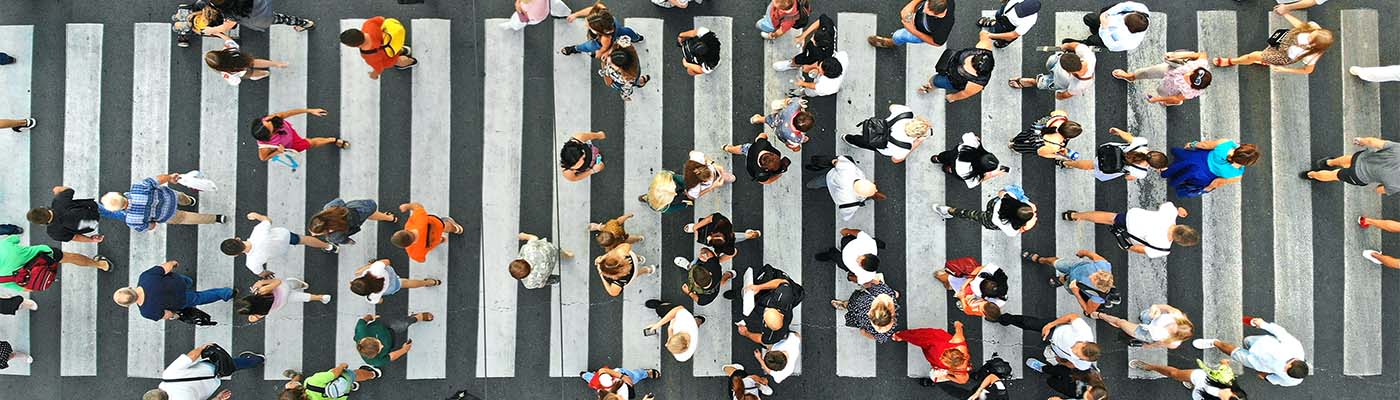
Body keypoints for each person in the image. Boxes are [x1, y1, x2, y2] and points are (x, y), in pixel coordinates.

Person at [1192, 316, 1308, 387]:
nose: (1283, 368)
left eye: (1285, 371)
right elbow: (1280, 332)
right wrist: (1263, 324)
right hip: (1261, 343)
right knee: (1247, 341)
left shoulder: (1293, 380)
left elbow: (1275, 379)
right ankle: (1242, 345)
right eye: (1286, 367)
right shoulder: (1295, 347)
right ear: (1296, 360)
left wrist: (1264, 375)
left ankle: (1215, 343)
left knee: (1234, 353)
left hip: (1255, 362)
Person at [222, 212, 338, 278]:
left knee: (301, 240)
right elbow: (267, 220)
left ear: (236, 254)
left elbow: (262, 273)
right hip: (284, 236)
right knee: (304, 239)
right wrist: (256, 216)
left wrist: (267, 274)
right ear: (237, 238)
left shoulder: (251, 263)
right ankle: (329, 246)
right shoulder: (257, 232)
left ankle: (329, 247)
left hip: (281, 250)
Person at [1212, 10, 1331, 75]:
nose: (1309, 34)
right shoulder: (1314, 28)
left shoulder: (1312, 55)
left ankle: (1232, 61)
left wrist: (1285, 70)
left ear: (1315, 45)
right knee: (1264, 52)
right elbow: (1301, 26)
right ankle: (1262, 60)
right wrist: (1285, 14)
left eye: (1311, 38)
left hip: (1281, 56)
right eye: (1312, 33)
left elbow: (1307, 71)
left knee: (1252, 56)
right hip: (1281, 41)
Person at [1063, 203, 1199, 258]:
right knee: (1111, 222)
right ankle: (1075, 216)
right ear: (1180, 242)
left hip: (1133, 217)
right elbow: (1138, 249)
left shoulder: (1170, 213)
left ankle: (1074, 215)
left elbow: (1166, 205)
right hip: (1131, 232)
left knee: (1109, 217)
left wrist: (1178, 210)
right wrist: (1127, 246)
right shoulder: (1163, 249)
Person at [114, 260, 234, 322]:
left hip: (180, 301)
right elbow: (166, 267)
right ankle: (190, 282)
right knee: (187, 281)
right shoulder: (145, 277)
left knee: (201, 297)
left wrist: (175, 315)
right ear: (129, 288)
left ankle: (225, 293)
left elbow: (168, 314)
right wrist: (173, 263)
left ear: (129, 305)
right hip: (178, 282)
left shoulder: (147, 312)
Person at [103, 173, 227, 232]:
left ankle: (217, 218)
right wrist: (170, 177)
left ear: (118, 210)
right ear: (119, 194)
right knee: (181, 197)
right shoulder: (137, 188)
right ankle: (190, 201)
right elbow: (158, 180)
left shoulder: (131, 220)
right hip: (170, 196)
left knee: (189, 218)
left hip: (168, 215)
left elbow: (151, 226)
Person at [143, 344, 263, 400]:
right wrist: (202, 347)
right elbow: (190, 357)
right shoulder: (168, 376)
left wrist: (218, 398)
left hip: (213, 383)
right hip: (209, 368)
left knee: (232, 367)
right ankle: (258, 359)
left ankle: (257, 360)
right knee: (234, 364)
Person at [0, 232, 112, 292]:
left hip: (40, 275)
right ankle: (101, 264)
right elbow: (15, 238)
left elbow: (26, 289)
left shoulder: (1, 278)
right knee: (71, 258)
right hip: (46, 256)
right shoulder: (3, 246)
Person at [1024, 249, 1115, 316]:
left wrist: (1076, 293)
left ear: (1097, 286)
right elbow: (1092, 255)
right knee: (1056, 262)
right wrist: (1084, 253)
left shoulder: (1099, 296)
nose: (1091, 275)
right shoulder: (1103, 265)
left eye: (1093, 279)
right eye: (1095, 274)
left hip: (1075, 285)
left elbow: (1088, 310)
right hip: (1074, 266)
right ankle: (1041, 259)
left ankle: (1061, 280)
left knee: (1066, 282)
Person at [998, 313, 1100, 371]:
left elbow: (1073, 365)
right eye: (1078, 347)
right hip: (1054, 329)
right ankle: (1005, 318)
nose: (1073, 350)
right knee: (1027, 323)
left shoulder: (1083, 364)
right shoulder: (1084, 331)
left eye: (1078, 355)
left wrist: (1062, 362)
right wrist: (1050, 325)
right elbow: (1071, 317)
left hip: (1054, 347)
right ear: (1085, 342)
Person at [1059, 127, 1167, 182]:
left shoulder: (1142, 142)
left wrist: (1118, 131)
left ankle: (1067, 162)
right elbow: (1128, 177)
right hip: (1110, 165)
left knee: (1091, 163)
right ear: (1152, 166)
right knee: (1090, 166)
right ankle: (1066, 163)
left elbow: (1128, 137)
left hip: (1111, 151)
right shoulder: (1141, 173)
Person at [1302, 136, 1400, 195]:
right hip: (1358, 176)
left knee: (1349, 159)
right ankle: (1311, 174)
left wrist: (1362, 140)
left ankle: (1329, 162)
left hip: (1361, 158)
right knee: (1335, 175)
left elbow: (1373, 142)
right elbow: (1379, 190)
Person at [1111, 51, 1213, 106]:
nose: (1188, 74)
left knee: (1162, 92)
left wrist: (1157, 99)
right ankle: (1131, 77)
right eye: (1192, 72)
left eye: (1189, 79)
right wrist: (1178, 56)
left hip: (1173, 88)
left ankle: (1171, 103)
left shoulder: (1189, 91)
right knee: (1147, 72)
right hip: (1171, 69)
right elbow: (1200, 54)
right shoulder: (1201, 64)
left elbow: (1176, 97)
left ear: (1193, 85)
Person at [29, 185, 124, 243]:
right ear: (42, 208)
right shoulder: (59, 201)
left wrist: (91, 240)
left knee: (102, 216)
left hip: (91, 225)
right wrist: (56, 190)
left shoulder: (53, 233)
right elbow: (69, 190)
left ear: (42, 224)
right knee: (110, 212)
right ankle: (126, 213)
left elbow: (75, 237)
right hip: (92, 209)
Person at [932, 185, 1038, 237]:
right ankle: (947, 211)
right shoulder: (1011, 230)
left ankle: (948, 211)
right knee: (970, 215)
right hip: (990, 220)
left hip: (993, 205)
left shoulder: (1010, 199)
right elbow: (1019, 230)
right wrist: (1027, 226)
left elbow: (1001, 193)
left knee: (969, 213)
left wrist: (1026, 203)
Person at [843, 104, 933, 164]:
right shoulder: (904, 147)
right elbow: (895, 160)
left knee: (861, 137)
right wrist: (917, 143)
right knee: (866, 143)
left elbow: (892, 106)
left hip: (876, 127)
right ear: (917, 136)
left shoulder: (906, 113)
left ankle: (848, 138)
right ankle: (850, 140)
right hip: (879, 144)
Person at [921, 31, 995, 103]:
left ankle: (929, 87)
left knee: (935, 81)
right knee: (935, 79)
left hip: (951, 80)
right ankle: (930, 86)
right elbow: (984, 34)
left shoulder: (976, 84)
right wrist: (984, 34)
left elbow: (964, 94)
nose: (966, 63)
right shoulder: (984, 48)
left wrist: (952, 97)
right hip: (951, 60)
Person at [252, 108, 349, 162]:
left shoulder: (268, 119)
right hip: (292, 144)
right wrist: (277, 152)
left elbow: (288, 113)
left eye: (267, 121)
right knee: (311, 143)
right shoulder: (264, 147)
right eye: (270, 126)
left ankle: (333, 140)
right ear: (269, 135)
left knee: (310, 142)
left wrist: (310, 111)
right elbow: (263, 158)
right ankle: (332, 140)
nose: (271, 121)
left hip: (288, 131)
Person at [807, 156, 885, 221]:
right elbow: (846, 216)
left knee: (816, 183)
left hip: (830, 179)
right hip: (837, 193)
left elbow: (837, 161)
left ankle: (809, 185)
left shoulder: (850, 169)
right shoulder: (851, 203)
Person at [340, 16, 417, 80]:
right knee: (395, 48)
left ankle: (411, 61)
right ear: (360, 32)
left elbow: (379, 68)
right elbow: (381, 19)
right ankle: (404, 50)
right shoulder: (368, 25)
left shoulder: (369, 56)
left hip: (389, 57)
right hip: (391, 41)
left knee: (398, 60)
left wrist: (374, 75)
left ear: (354, 46)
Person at [1011, 42, 1094, 100]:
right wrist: (1065, 45)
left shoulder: (1079, 85)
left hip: (1059, 81)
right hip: (1056, 67)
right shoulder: (1089, 56)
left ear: (1068, 71)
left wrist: (1059, 95)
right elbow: (1076, 45)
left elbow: (1066, 94)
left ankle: (1033, 82)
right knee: (1050, 62)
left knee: (1043, 83)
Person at [1130, 358, 1247, 400]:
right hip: (1201, 378)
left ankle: (1191, 384)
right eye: (1231, 391)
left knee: (1194, 388)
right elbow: (1225, 370)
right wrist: (1224, 363)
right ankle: (1149, 367)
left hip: (1199, 394)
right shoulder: (1228, 381)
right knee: (1173, 373)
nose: (1227, 391)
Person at [561, 1, 644, 59]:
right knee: (625, 31)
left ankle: (576, 49)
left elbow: (605, 48)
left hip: (602, 40)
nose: (586, 24)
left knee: (587, 46)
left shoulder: (605, 38)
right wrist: (576, 14)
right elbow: (591, 10)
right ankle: (637, 38)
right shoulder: (601, 10)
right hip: (614, 24)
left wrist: (600, 53)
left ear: (600, 31)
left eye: (590, 26)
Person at [894, 322, 971, 384]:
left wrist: (957, 324)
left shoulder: (959, 342)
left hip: (937, 341)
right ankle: (902, 335)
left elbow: (959, 330)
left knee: (920, 336)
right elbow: (963, 381)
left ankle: (902, 335)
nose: (941, 358)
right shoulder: (960, 372)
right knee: (921, 336)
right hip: (937, 342)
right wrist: (947, 375)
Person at [936, 258, 1009, 321]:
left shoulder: (982, 306)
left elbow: (967, 310)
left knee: (950, 278)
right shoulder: (1000, 277)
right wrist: (966, 284)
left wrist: (962, 298)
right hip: (970, 284)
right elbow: (980, 268)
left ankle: (947, 282)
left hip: (970, 293)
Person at [1094, 304, 1192, 349]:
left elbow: (1159, 344)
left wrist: (1148, 346)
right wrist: (1155, 308)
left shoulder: (1173, 344)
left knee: (1121, 323)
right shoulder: (1176, 314)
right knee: (1143, 316)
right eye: (1174, 324)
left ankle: (1101, 315)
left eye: (1172, 330)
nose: (1169, 326)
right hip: (1151, 318)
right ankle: (1102, 316)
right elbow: (1163, 307)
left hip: (1147, 333)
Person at [932, 132, 1010, 189]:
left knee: (946, 155)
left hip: (955, 154)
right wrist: (993, 174)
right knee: (952, 170)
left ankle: (938, 159)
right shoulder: (969, 172)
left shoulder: (974, 145)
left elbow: (966, 135)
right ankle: (948, 169)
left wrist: (976, 139)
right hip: (956, 169)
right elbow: (972, 184)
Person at [354, 312, 433, 368]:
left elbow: (364, 320)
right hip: (390, 342)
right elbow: (392, 356)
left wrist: (371, 317)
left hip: (383, 325)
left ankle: (416, 317)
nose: (383, 345)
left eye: (379, 343)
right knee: (398, 335)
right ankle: (409, 319)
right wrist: (404, 350)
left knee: (402, 325)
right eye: (380, 349)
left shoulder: (361, 330)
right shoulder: (374, 361)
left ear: (370, 337)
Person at [204, 32, 287, 85]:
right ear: (220, 53)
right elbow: (229, 41)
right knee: (255, 62)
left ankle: (264, 73)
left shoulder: (224, 73)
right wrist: (219, 34)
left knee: (253, 74)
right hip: (243, 60)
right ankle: (277, 64)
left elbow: (235, 82)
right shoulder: (229, 50)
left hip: (242, 72)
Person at [391, 202, 463, 263]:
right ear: (406, 230)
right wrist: (407, 206)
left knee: (435, 240)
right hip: (437, 225)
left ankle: (441, 239)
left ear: (406, 246)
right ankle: (457, 229)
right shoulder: (417, 222)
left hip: (432, 241)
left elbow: (422, 260)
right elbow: (418, 206)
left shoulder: (413, 252)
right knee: (446, 226)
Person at [236, 277, 330, 323]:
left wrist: (252, 316)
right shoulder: (262, 292)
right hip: (283, 290)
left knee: (298, 297)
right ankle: (301, 285)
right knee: (289, 284)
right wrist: (261, 282)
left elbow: (252, 319)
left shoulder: (260, 312)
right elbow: (277, 282)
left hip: (281, 303)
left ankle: (321, 297)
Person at [307, 198, 397, 246]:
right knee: (369, 212)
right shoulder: (330, 207)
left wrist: (350, 242)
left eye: (316, 233)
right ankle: (390, 218)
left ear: (325, 229)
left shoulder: (333, 236)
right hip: (358, 207)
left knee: (368, 215)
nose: (313, 235)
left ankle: (389, 218)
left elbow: (344, 240)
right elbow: (340, 201)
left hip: (357, 221)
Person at [1066, 1, 1150, 52]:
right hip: (1107, 18)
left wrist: (1104, 28)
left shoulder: (1130, 43)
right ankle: (1095, 30)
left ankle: (1080, 45)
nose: (1122, 17)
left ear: (1130, 29)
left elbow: (1111, 46)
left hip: (1107, 35)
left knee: (1092, 40)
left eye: (1124, 21)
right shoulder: (1142, 9)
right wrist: (1107, 13)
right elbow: (1123, 6)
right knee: (1088, 18)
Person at [868, 0, 955, 48]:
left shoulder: (944, 26)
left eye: (928, 12)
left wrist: (913, 30)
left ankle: (890, 43)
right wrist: (911, 5)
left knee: (899, 35)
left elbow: (937, 43)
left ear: (939, 15)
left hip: (920, 33)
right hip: (918, 22)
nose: (923, 11)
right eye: (926, 5)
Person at [833, 281, 900, 343]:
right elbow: (875, 336)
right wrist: (864, 333)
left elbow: (871, 284)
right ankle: (845, 304)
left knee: (851, 305)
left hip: (859, 301)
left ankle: (844, 304)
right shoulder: (883, 332)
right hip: (858, 313)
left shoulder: (883, 292)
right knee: (852, 306)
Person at [349, 260, 440, 304]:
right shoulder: (374, 271)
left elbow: (380, 301)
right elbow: (387, 261)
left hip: (391, 287)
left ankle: (429, 282)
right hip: (388, 274)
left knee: (406, 283)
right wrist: (372, 266)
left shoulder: (372, 297)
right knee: (357, 272)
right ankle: (431, 282)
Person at [815, 228, 883, 286]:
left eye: (860, 264)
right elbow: (859, 233)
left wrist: (851, 278)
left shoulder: (867, 276)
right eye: (861, 258)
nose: (857, 260)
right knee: (845, 239)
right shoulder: (870, 244)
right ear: (868, 254)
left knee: (836, 258)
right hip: (848, 244)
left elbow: (858, 280)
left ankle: (830, 254)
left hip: (844, 262)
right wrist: (847, 231)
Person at [1009, 110, 1083, 162]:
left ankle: (1015, 140)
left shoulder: (1061, 116)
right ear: (1068, 137)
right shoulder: (1055, 146)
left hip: (1035, 130)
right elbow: (1041, 153)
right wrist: (1059, 156)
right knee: (1025, 147)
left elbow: (1053, 113)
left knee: (1024, 135)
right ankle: (1014, 147)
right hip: (1037, 143)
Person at [684, 213, 759, 263]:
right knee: (733, 236)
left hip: (727, 239)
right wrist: (695, 227)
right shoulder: (722, 223)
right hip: (728, 238)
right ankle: (750, 235)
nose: (709, 237)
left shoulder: (721, 222)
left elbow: (733, 252)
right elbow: (710, 218)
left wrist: (695, 228)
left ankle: (749, 235)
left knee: (734, 237)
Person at [279, 363, 382, 400]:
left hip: (339, 396)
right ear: (298, 390)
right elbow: (333, 374)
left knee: (344, 387)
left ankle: (351, 387)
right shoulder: (312, 383)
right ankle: (373, 374)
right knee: (354, 374)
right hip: (339, 380)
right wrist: (342, 366)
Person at [201, 0, 314, 32]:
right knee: (280, 18)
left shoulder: (229, 13)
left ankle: (305, 24)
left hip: (260, 17)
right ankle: (304, 23)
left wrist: (210, 30)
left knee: (279, 19)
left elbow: (226, 27)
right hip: (261, 4)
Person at [748, 97, 814, 152]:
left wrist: (785, 104)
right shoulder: (796, 138)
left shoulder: (794, 107)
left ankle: (757, 119)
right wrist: (796, 147)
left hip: (777, 119)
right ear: (801, 131)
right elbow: (794, 146)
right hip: (780, 133)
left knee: (768, 119)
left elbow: (788, 100)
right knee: (797, 145)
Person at [724, 132, 792, 184]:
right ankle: (728, 148)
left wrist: (760, 139)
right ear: (766, 169)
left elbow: (762, 135)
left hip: (751, 149)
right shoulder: (761, 174)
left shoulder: (763, 144)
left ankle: (727, 148)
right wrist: (777, 176)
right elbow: (764, 181)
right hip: (750, 164)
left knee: (741, 148)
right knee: (742, 149)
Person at [581, 366, 660, 400]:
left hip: (622, 377)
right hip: (627, 384)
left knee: (636, 376)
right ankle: (584, 375)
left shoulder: (607, 383)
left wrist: (622, 377)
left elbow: (603, 370)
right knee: (593, 379)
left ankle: (646, 373)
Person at [500, 0, 572, 31]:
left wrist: (518, 5)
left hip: (532, 17)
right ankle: (565, 12)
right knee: (556, 4)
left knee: (518, 21)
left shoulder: (525, 6)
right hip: (542, 12)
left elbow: (523, 14)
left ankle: (512, 25)